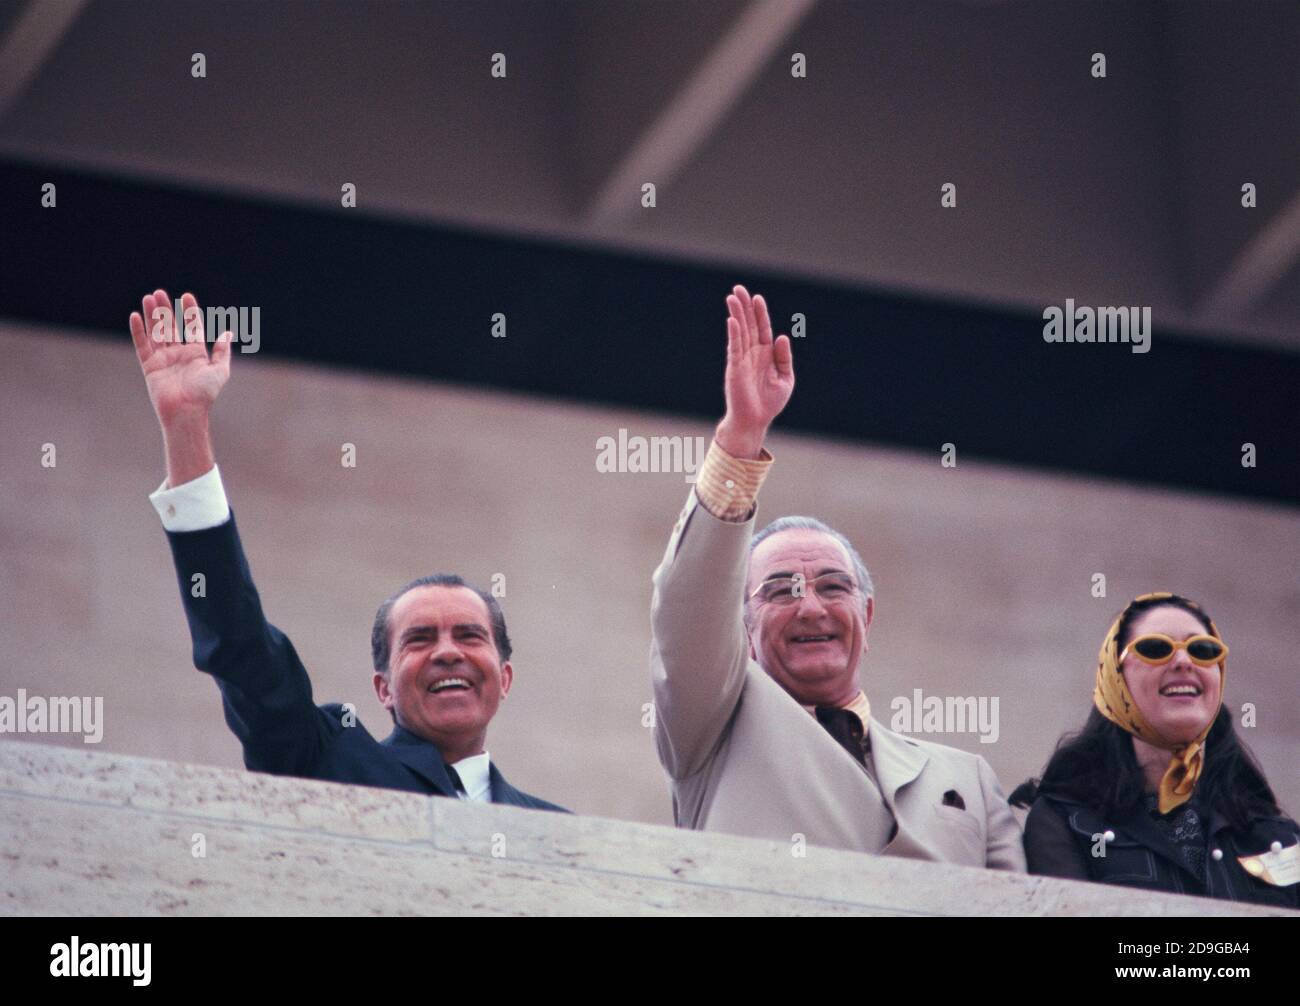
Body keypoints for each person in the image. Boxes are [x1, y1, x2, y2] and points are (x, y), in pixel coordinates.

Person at [128, 289, 566, 811]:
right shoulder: (328, 761)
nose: (448, 652)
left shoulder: (552, 828)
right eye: (420, 639)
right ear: (383, 688)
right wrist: (187, 426)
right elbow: (242, 650)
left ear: (505, 677)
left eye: (469, 636)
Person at [648, 284, 1024, 868]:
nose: (811, 607)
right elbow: (687, 611)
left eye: (832, 585)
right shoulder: (712, 727)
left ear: (867, 616)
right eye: (779, 592)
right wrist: (741, 438)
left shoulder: (967, 779)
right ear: (743, 631)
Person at [1012, 592, 1298, 907]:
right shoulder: (1065, 822)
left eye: (1203, 650)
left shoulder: (1278, 837)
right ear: (1114, 680)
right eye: (1155, 648)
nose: (1183, 661)